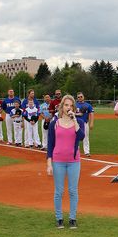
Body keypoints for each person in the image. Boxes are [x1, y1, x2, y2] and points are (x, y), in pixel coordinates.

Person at [46, 94, 86, 229]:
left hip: (74, 161)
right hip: (58, 161)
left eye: (71, 105)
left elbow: (81, 137)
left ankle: (73, 218)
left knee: (73, 190)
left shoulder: (79, 122)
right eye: (66, 105)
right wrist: (49, 163)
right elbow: (50, 144)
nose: (68, 108)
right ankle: (59, 218)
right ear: (61, 107)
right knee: (59, 191)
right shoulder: (54, 123)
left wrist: (74, 120)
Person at [75, 92, 94, 157]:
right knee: (75, 137)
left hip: (85, 123)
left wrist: (91, 123)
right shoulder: (74, 105)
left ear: (83, 97)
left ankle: (87, 151)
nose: (80, 98)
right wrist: (78, 114)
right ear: (77, 98)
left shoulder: (88, 105)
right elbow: (70, 113)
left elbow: (91, 114)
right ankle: (76, 151)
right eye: (78, 97)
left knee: (86, 137)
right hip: (76, 123)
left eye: (81, 96)